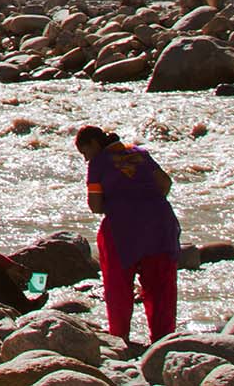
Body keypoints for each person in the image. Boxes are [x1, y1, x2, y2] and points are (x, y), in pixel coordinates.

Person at [77, 125, 181, 343]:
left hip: (122, 228)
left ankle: (120, 338)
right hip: (160, 223)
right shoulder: (139, 152)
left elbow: (95, 205)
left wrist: (121, 203)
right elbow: (165, 183)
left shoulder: (98, 163)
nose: (86, 159)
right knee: (161, 286)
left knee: (119, 287)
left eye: (85, 152)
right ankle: (163, 341)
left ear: (94, 144)